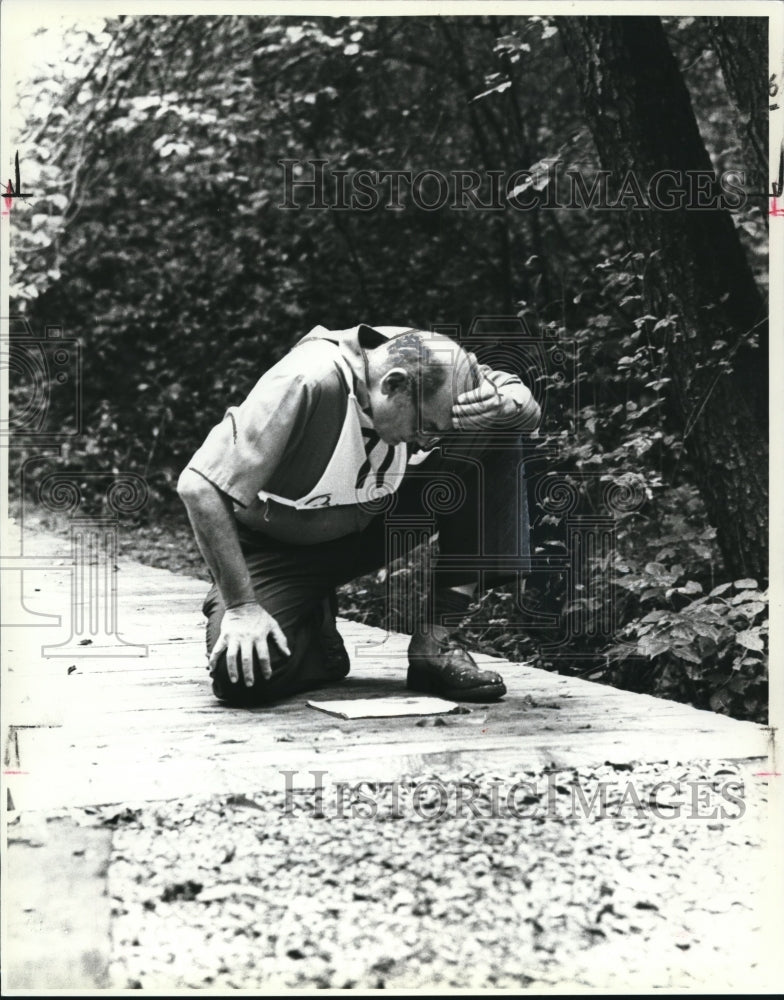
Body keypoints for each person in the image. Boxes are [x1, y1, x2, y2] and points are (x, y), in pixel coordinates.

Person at [177, 323, 541, 707]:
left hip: (371, 522)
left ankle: (436, 643)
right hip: (279, 545)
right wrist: (242, 607)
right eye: (426, 426)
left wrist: (506, 404)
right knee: (242, 679)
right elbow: (198, 487)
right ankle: (316, 636)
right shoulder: (305, 380)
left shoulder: (433, 359)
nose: (428, 442)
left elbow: (524, 406)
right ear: (394, 385)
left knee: (499, 426)